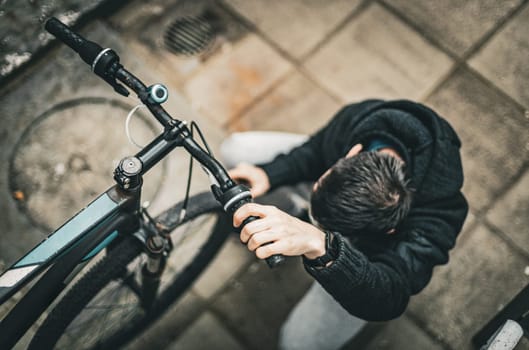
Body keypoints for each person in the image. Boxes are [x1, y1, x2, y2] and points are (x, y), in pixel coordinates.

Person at [220, 99, 468, 350]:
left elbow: (391, 295)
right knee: (236, 150)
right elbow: (315, 151)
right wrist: (270, 173)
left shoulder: (439, 216)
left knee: (296, 344)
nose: (313, 223)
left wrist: (324, 249)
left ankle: (332, 250)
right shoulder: (367, 120)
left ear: (390, 230)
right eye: (321, 181)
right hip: (345, 203)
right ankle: (290, 210)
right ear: (352, 153)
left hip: (360, 261)